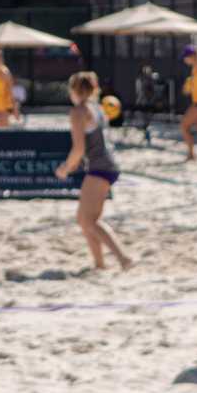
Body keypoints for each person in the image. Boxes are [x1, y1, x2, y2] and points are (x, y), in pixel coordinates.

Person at [54, 71, 131, 271]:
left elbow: (78, 149)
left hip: (100, 166)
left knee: (89, 220)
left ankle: (124, 258)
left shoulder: (79, 111)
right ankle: (99, 264)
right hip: (106, 164)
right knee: (84, 219)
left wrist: (66, 168)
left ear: (74, 90)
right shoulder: (96, 107)